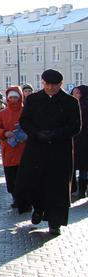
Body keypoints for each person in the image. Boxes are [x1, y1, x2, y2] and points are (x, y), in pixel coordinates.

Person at [15, 70, 81, 235]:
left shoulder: (71, 102)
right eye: (47, 84)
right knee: (35, 182)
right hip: (37, 149)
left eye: (54, 85)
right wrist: (36, 133)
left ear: (60, 84)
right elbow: (24, 120)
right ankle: (38, 209)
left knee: (57, 188)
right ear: (42, 83)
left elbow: (75, 126)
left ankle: (55, 222)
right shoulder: (33, 99)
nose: (51, 88)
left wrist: (56, 134)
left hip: (60, 151)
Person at [0, 86, 27, 208]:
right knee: (11, 179)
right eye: (11, 97)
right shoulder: (2, 113)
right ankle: (15, 198)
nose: (13, 100)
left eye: (15, 97)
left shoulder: (27, 111)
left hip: (25, 150)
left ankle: (26, 200)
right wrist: (4, 133)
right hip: (9, 150)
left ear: (20, 98)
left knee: (25, 178)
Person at [71, 85, 88, 198]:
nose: (75, 95)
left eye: (77, 93)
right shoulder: (70, 105)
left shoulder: (84, 106)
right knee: (74, 166)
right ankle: (76, 189)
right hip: (74, 140)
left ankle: (82, 190)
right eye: (74, 93)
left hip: (84, 141)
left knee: (84, 167)